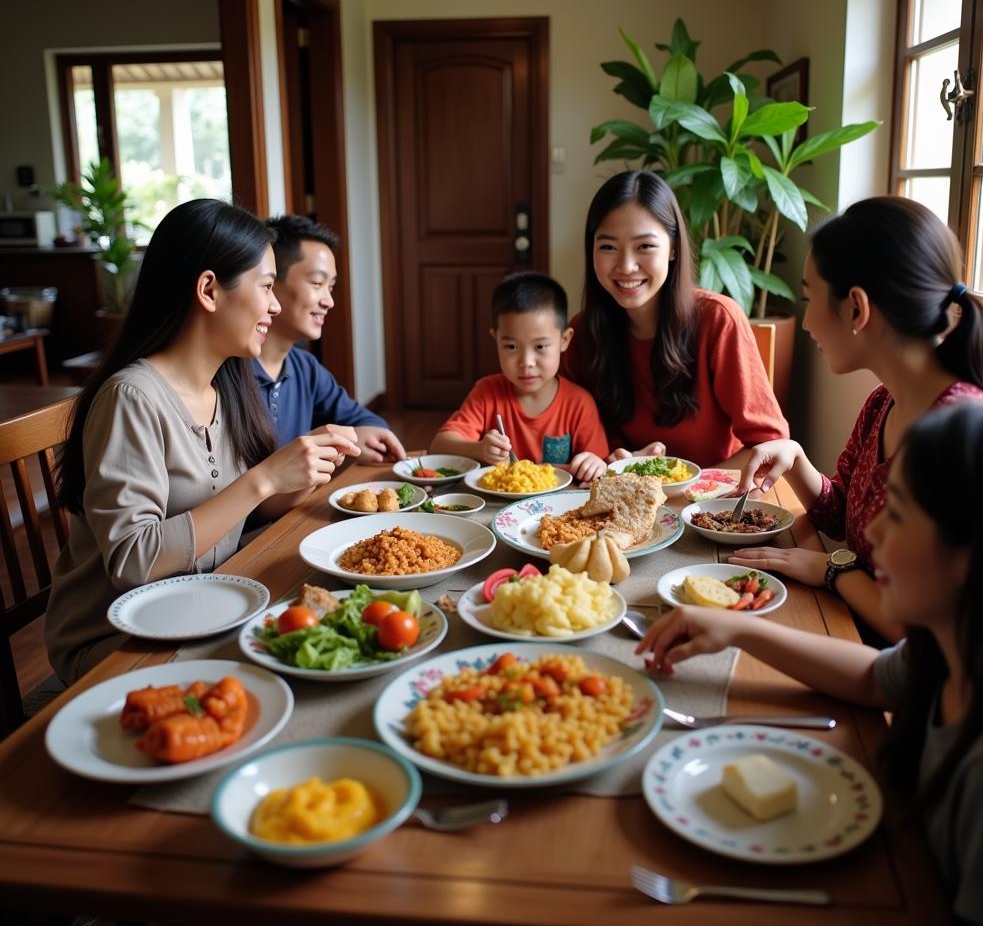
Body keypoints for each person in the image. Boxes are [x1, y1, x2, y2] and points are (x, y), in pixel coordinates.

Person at [638, 403, 983, 926]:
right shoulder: (954, 652)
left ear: (974, 555)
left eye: (901, 513)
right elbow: (873, 676)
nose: (875, 533)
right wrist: (739, 628)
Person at [46, 199, 359, 684]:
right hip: (117, 643)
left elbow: (237, 514)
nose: (275, 305)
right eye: (267, 287)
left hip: (203, 605)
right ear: (209, 290)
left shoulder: (225, 386)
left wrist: (307, 470)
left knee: (337, 634)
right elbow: (133, 561)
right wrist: (263, 478)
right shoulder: (132, 397)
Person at [730, 196, 983, 644]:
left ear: (856, 309)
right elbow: (844, 518)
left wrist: (833, 569)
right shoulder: (884, 402)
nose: (804, 323)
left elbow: (921, 637)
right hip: (856, 638)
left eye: (809, 297)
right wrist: (796, 457)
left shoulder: (958, 436)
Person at [561, 169, 788, 469]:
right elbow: (567, 442)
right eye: (608, 246)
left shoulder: (718, 320)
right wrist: (609, 461)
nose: (626, 266)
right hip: (623, 504)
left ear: (673, 248)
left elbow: (770, 446)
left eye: (644, 246)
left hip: (710, 506)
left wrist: (689, 486)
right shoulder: (580, 334)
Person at [254, 214, 406, 463]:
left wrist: (353, 437)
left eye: (331, 286)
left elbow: (367, 423)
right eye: (317, 283)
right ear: (270, 282)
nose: (329, 301)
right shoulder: (229, 371)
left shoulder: (305, 367)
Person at [431, 272, 609, 482]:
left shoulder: (578, 403)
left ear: (564, 340)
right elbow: (439, 445)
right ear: (495, 339)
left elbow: (600, 462)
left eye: (540, 346)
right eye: (511, 346)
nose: (527, 362)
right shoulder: (487, 392)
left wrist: (594, 463)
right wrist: (480, 449)